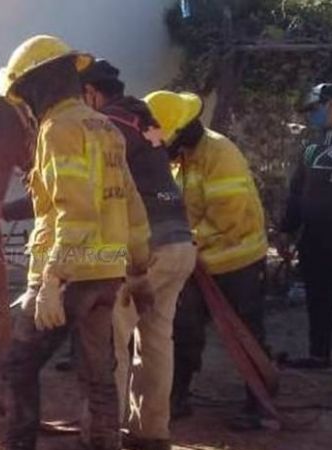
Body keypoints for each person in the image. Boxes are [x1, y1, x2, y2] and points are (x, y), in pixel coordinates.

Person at [0, 35, 153, 450]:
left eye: (23, 93)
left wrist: (50, 282)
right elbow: (131, 203)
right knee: (98, 376)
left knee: (19, 363)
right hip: (107, 274)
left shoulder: (57, 128)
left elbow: (75, 211)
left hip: (69, 276)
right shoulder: (105, 127)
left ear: (37, 85)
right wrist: (138, 271)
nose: (24, 103)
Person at [78, 61, 195, 450]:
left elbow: (84, 189)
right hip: (179, 242)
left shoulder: (103, 127)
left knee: (111, 341)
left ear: (92, 93)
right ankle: (151, 434)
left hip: (143, 251)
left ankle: (103, 435)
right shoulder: (145, 118)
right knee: (157, 340)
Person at [144, 91, 269, 429]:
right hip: (197, 260)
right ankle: (177, 396)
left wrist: (185, 243)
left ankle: (260, 405)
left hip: (236, 259)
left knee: (245, 333)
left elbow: (227, 216)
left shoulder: (220, 153)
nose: (155, 143)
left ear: (180, 131)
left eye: (158, 135)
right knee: (182, 328)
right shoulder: (181, 158)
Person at [279, 83, 332, 369]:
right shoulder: (313, 145)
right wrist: (286, 229)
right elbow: (298, 191)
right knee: (318, 299)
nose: (312, 116)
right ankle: (318, 354)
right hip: (315, 240)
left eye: (314, 109)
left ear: (331, 103)